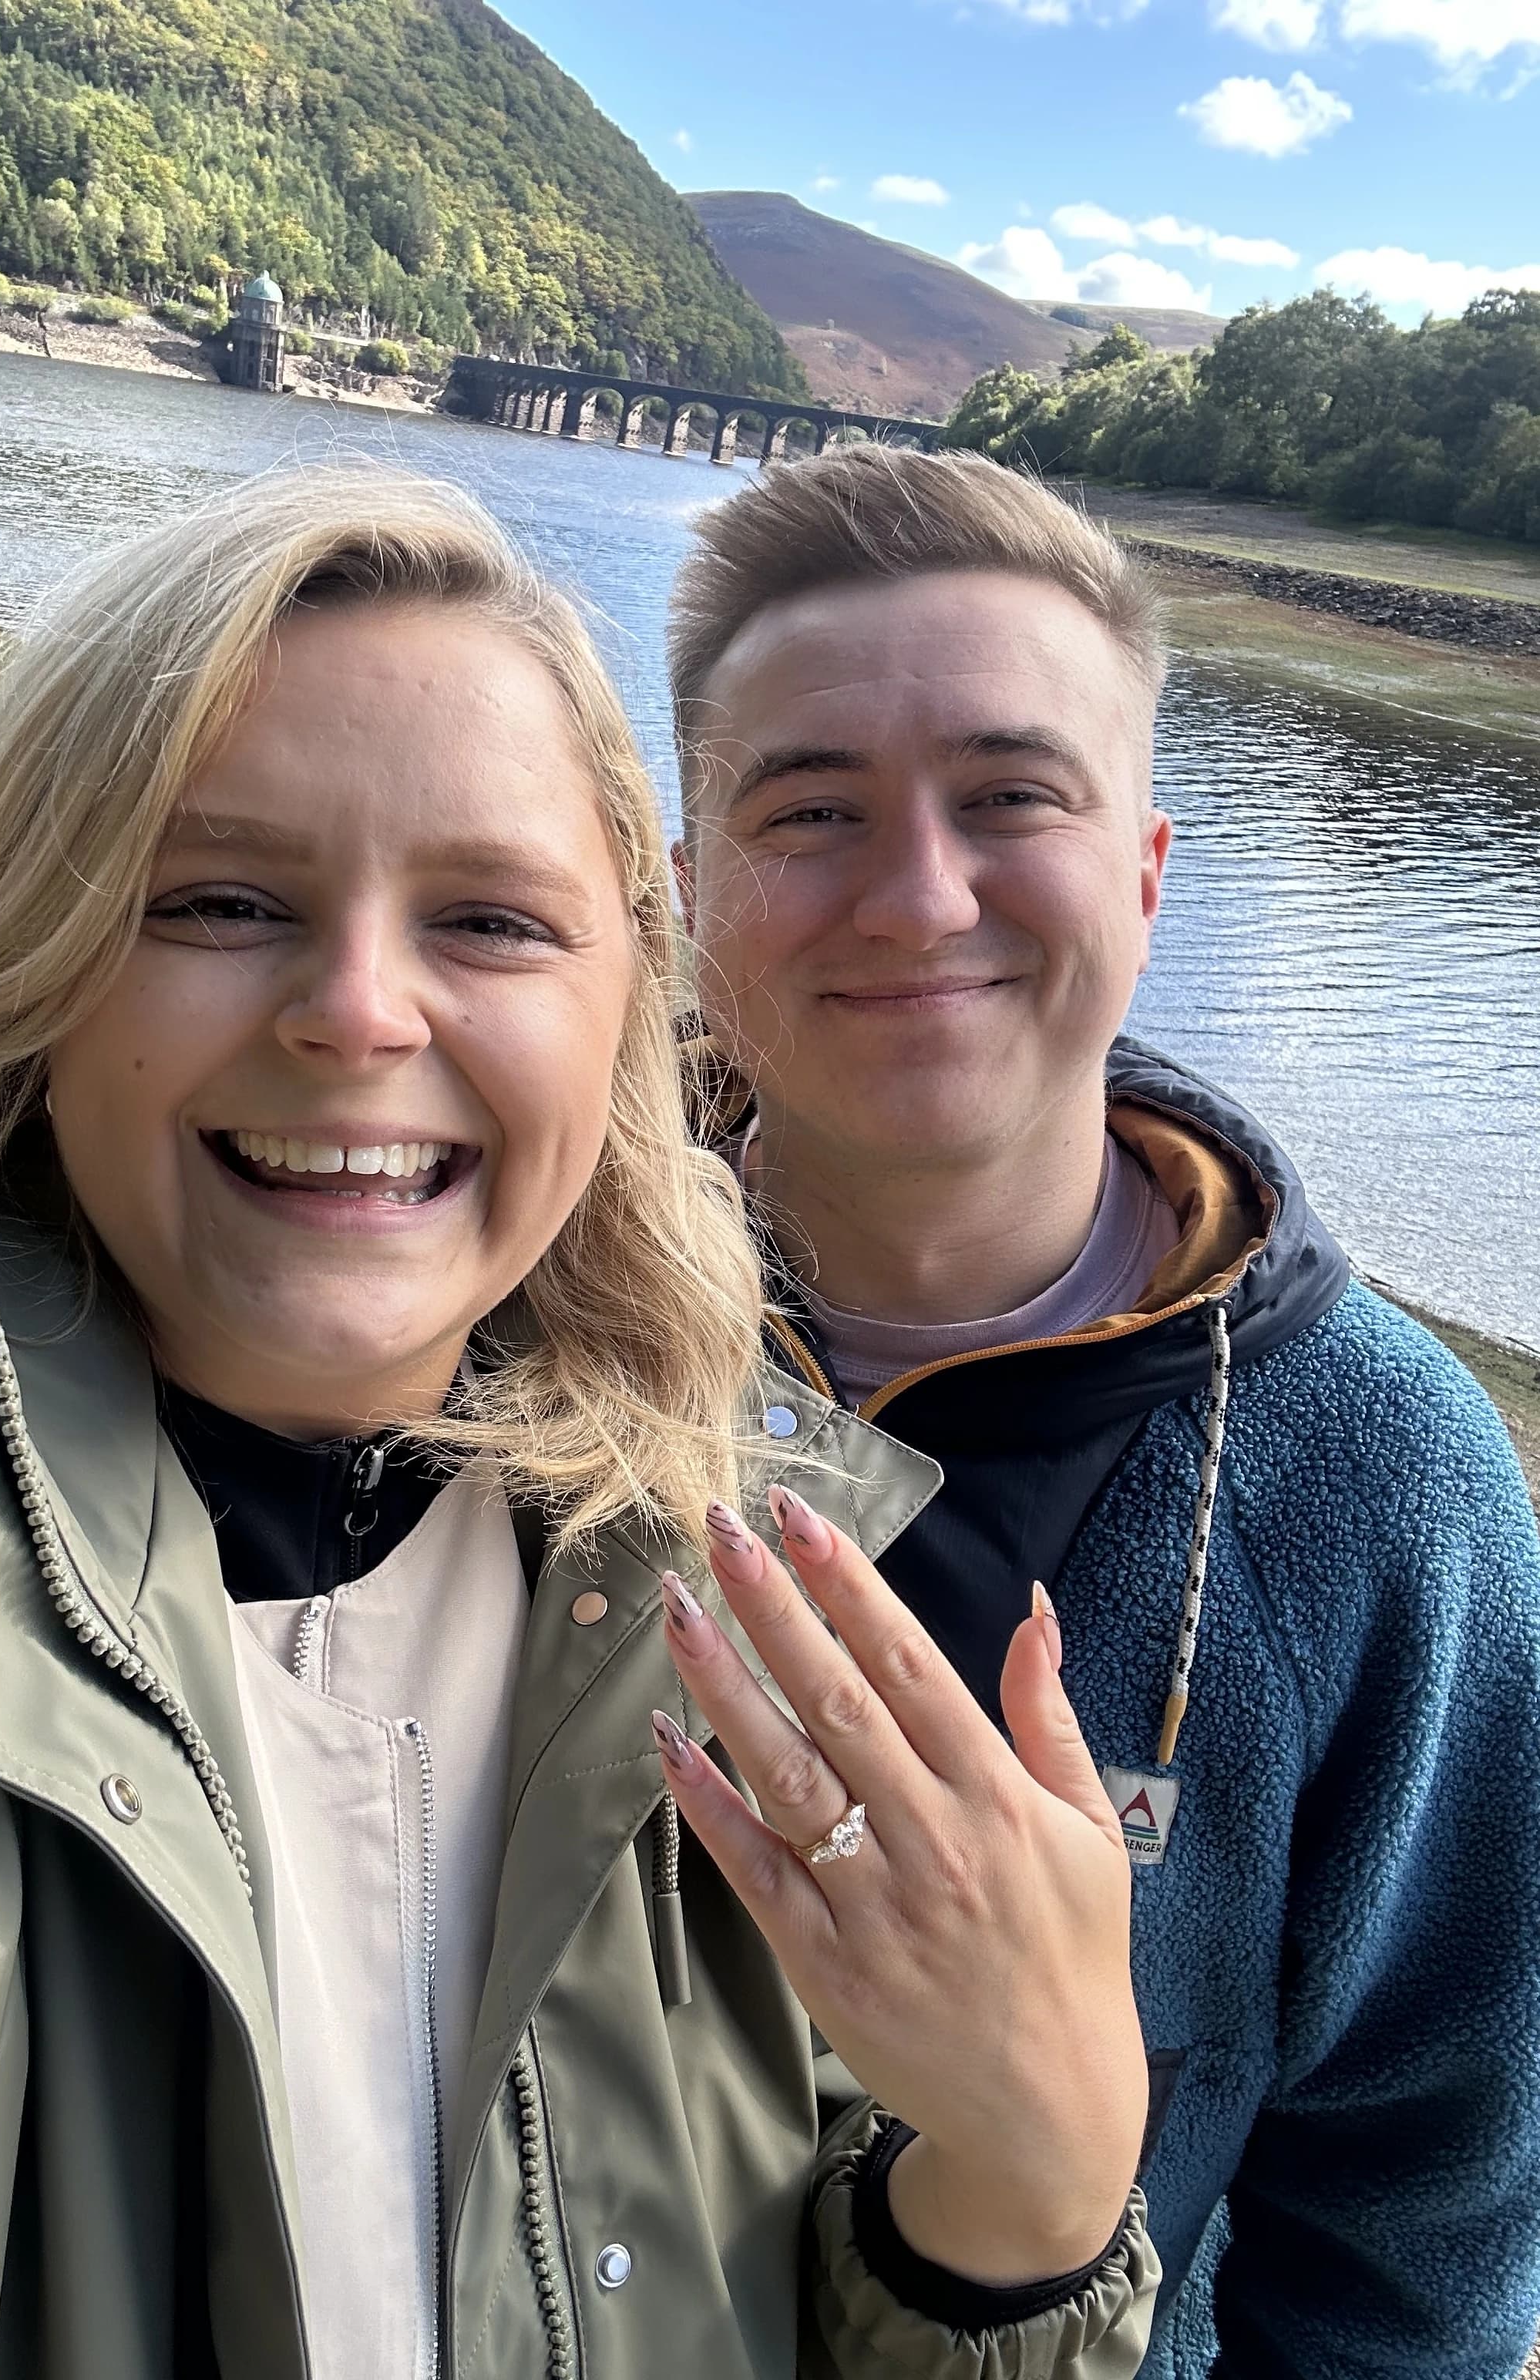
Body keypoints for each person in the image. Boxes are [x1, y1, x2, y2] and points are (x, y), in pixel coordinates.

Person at [0, 467, 1161, 2379]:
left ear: (633, 1004)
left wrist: (1032, 2194)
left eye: (491, 920)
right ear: (37, 960)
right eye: (221, 898)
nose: (355, 1010)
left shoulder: (738, 1598)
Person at [668, 444, 1540, 2380]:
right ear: (686, 890)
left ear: (1146, 873)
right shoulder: (488, 1319)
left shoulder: (1403, 1496)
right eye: (810, 808)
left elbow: (1413, 2277)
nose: (917, 894)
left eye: (1011, 796)